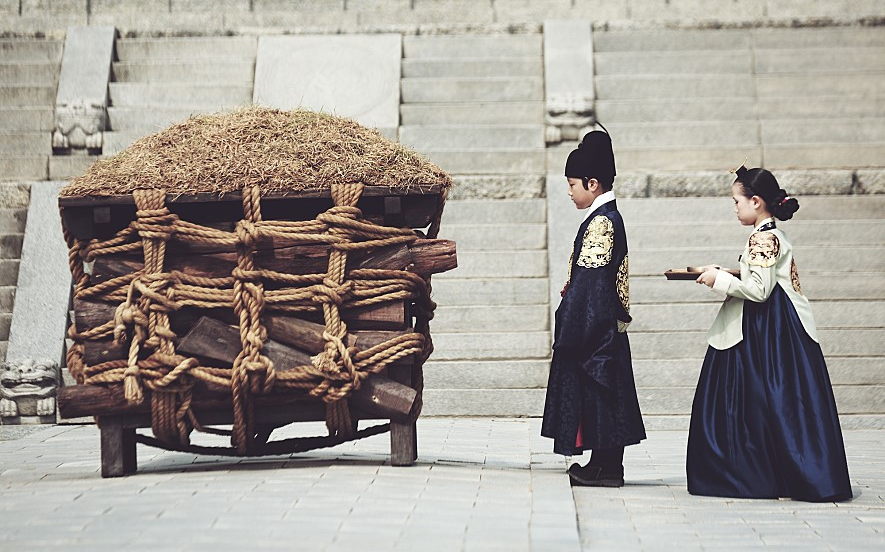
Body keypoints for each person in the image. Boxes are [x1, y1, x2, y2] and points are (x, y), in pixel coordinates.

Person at [688, 165, 852, 502]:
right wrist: (723, 271)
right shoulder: (772, 234)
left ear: (757, 201)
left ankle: (748, 474)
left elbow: (759, 289)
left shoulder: (762, 237)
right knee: (777, 401)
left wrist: (716, 280)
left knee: (754, 400)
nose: (735, 207)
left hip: (767, 328)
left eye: (737, 201)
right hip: (778, 326)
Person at [541, 129, 646, 487]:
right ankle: (603, 465)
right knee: (606, 396)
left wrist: (571, 326)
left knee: (600, 394)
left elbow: (590, 282)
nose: (569, 191)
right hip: (605, 323)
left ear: (593, 183)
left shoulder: (601, 222)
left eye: (572, 184)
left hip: (596, 325)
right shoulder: (607, 218)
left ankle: (605, 467)